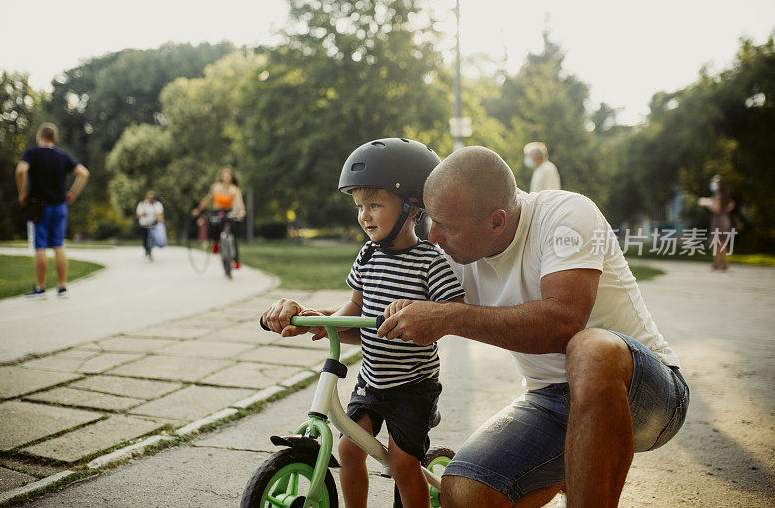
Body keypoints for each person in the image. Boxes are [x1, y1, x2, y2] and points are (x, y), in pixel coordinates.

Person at [374, 146, 689, 508]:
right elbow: (385, 316)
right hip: (550, 400)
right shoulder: (449, 256)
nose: (434, 238)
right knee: (462, 493)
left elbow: (563, 325)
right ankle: (574, 467)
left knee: (591, 348)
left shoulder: (567, 215)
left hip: (644, 394)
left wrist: (447, 318)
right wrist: (311, 317)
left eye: (447, 226)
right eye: (432, 220)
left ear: (496, 221)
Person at [261, 138, 465, 508]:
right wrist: (318, 322)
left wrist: (420, 309)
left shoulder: (430, 262)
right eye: (359, 206)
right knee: (348, 451)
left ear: (412, 207)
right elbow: (354, 305)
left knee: (403, 465)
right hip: (371, 380)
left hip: (412, 387)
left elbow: (456, 311)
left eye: (374, 204)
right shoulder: (367, 256)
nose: (364, 215)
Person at [15, 123, 90, 299]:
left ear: (39, 136)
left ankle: (40, 288)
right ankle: (62, 286)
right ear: (54, 139)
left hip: (39, 206)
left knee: (40, 247)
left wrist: (22, 193)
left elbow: (20, 171)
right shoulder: (62, 156)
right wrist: (72, 194)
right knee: (59, 245)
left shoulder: (32, 153)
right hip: (60, 206)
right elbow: (84, 173)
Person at [191, 167, 246, 269]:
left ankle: (236, 260)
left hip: (228, 212)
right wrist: (198, 210)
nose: (226, 177)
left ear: (231, 177)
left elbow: (239, 202)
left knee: (233, 234)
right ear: (222, 177)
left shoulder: (234, 189)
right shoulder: (216, 187)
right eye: (224, 175)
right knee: (214, 224)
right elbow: (207, 200)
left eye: (228, 175)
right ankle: (215, 243)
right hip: (218, 211)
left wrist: (241, 211)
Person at [699, 175, 735, 271]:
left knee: (716, 242)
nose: (713, 184)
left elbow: (716, 208)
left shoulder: (718, 194)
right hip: (725, 219)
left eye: (714, 183)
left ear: (718, 184)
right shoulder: (724, 194)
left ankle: (717, 263)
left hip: (718, 219)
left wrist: (706, 204)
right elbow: (731, 204)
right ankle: (724, 263)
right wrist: (725, 211)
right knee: (721, 242)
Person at [136, 191, 164, 260]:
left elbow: (160, 213)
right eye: (150, 198)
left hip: (153, 224)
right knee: (145, 238)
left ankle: (150, 250)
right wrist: (143, 214)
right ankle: (146, 250)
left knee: (152, 238)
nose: (151, 199)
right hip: (144, 224)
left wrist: (161, 221)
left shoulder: (157, 204)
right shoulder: (142, 204)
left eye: (152, 198)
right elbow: (138, 215)